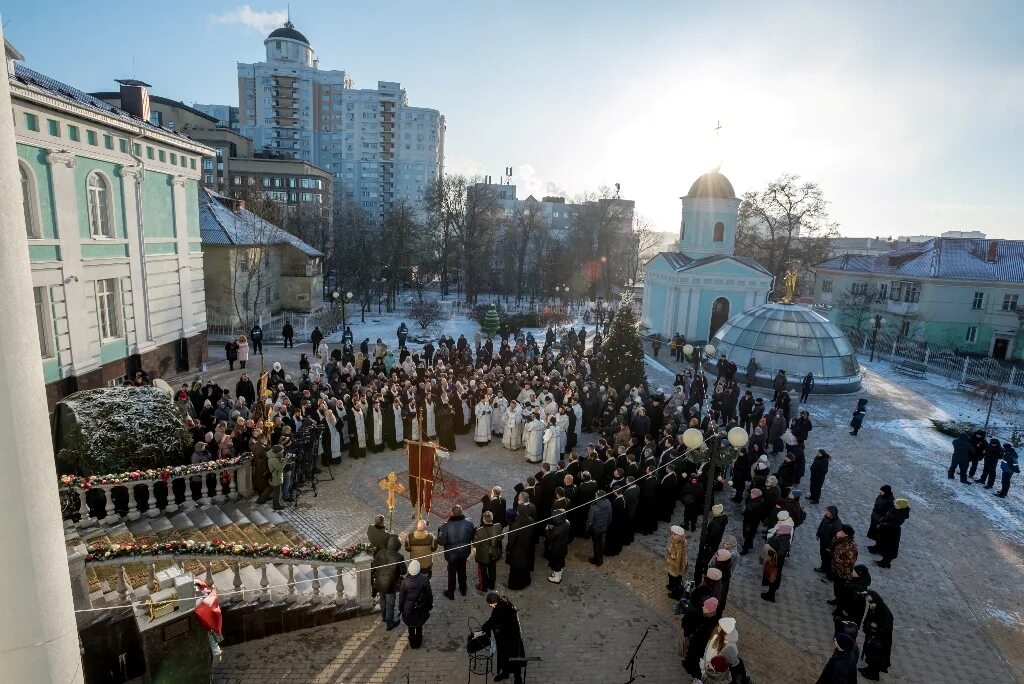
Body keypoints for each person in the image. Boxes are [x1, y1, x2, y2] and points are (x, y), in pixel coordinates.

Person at [482, 592, 526, 683]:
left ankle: (518, 680)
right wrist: (487, 626)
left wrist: (497, 629)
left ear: (496, 601)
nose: (490, 606)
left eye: (491, 604)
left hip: (512, 639)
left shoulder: (507, 609)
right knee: (503, 658)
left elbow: (509, 625)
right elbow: (493, 620)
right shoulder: (499, 606)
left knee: (514, 659)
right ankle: (505, 673)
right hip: (503, 640)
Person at [437, 505, 475, 600]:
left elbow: (441, 541)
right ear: (462, 512)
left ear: (452, 513)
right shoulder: (469, 522)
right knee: (462, 570)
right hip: (464, 552)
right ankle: (463, 589)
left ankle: (451, 593)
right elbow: (472, 536)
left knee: (452, 573)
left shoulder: (446, 526)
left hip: (451, 554)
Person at [371, 534, 406, 630]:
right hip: (390, 584)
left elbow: (374, 565)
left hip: (379, 582)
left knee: (382, 600)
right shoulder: (399, 557)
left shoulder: (380, 553)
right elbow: (404, 571)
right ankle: (390, 623)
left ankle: (384, 617)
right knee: (390, 603)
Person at [859, 590, 894, 680]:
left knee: (876, 657)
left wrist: (872, 625)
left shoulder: (885, 613)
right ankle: (869, 669)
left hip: (880, 641)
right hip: (872, 636)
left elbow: (885, 628)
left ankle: (874, 674)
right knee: (870, 653)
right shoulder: (874, 608)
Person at [398, 559, 432, 649]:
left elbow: (401, 598)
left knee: (411, 626)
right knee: (419, 625)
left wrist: (400, 608)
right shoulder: (424, 580)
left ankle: (413, 643)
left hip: (408, 609)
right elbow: (429, 595)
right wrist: (429, 606)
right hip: (420, 608)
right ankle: (419, 641)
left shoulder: (404, 582)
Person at [869, 498, 909, 568]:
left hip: (892, 532)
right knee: (880, 540)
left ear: (901, 506)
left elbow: (894, 523)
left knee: (889, 547)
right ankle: (877, 548)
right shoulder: (895, 508)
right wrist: (881, 521)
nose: (895, 504)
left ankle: (885, 562)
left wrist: (883, 524)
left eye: (897, 504)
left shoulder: (902, 514)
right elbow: (886, 515)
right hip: (885, 528)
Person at [760, 521, 792, 602]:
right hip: (774, 562)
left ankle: (771, 595)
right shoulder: (781, 537)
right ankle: (770, 592)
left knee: (773, 578)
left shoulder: (784, 542)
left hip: (776, 564)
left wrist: (773, 553)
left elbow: (781, 554)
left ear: (784, 532)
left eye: (779, 530)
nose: (777, 531)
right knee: (772, 578)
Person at [505, 505, 534, 590]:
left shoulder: (516, 525)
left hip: (517, 551)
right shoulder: (531, 520)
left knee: (516, 568)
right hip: (527, 547)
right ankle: (526, 581)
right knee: (525, 566)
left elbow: (512, 540)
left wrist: (508, 549)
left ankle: (515, 585)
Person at [473, 510, 501, 592]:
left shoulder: (479, 530)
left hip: (483, 554)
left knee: (483, 572)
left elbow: (475, 545)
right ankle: (492, 585)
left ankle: (483, 587)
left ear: (483, 520)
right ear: (492, 518)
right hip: (494, 553)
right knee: (493, 570)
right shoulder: (498, 526)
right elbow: (500, 538)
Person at [586, 490, 612, 566]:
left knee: (596, 545)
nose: (595, 496)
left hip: (596, 529)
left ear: (598, 496)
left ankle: (597, 561)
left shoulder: (594, 506)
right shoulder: (608, 503)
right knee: (601, 543)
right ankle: (600, 558)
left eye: (596, 495)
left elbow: (590, 520)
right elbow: (610, 516)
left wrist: (587, 529)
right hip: (604, 527)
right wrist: (607, 525)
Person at [544, 508, 570, 584]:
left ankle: (557, 578)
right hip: (563, 545)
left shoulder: (556, 530)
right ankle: (558, 573)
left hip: (557, 548)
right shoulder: (567, 522)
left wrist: (546, 530)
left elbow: (550, 538)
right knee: (560, 561)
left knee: (556, 562)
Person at [815, 506, 842, 576]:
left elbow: (836, 537)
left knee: (828, 559)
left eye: (828, 511)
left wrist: (830, 547)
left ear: (832, 513)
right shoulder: (826, 517)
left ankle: (828, 572)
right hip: (823, 541)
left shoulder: (837, 523)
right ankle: (822, 568)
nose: (826, 512)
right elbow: (821, 526)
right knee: (822, 555)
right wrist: (818, 534)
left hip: (829, 544)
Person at [665, 524, 688, 597]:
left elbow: (678, 558)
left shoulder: (678, 543)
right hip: (673, 564)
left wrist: (671, 553)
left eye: (674, 534)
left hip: (675, 565)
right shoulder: (677, 539)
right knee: (671, 576)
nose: (672, 535)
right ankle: (671, 586)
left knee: (675, 579)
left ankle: (675, 594)